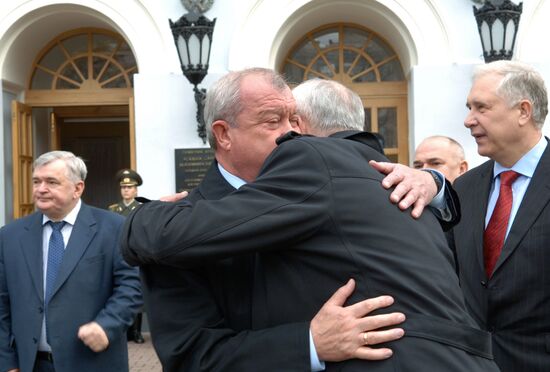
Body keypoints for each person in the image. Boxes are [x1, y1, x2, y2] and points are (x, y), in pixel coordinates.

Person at [122, 71, 497, 371]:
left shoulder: (341, 179)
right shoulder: (175, 230)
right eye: (273, 121)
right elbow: (192, 357)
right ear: (223, 134)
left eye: (294, 119)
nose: (291, 133)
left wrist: (433, 182)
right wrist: (309, 345)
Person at [0, 151, 142, 372]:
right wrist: (6, 363)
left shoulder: (114, 228)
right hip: (30, 365)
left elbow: (132, 287)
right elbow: (2, 304)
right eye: (36, 181)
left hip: (92, 363)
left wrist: (107, 325)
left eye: (51, 182)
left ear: (78, 188)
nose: (41, 189)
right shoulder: (10, 236)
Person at [449, 60, 550, 371]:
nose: (468, 120)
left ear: (523, 111)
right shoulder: (463, 189)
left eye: (482, 107)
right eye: (469, 107)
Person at [108, 168, 145, 344]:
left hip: (135, 255)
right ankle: (123, 331)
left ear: (136, 190)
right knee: (118, 291)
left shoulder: (141, 208)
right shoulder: (113, 209)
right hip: (118, 254)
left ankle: (136, 331)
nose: (126, 190)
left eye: (130, 187)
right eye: (123, 187)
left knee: (136, 292)